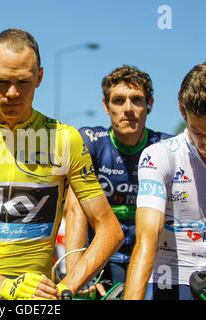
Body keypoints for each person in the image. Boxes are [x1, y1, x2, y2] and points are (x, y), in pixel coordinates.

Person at [0, 28, 123, 300]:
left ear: (40, 76)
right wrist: (4, 286)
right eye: (2, 82)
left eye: (23, 82)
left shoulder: (64, 140)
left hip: (35, 296)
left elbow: (110, 231)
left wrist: (66, 288)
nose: (12, 93)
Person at [124, 62, 206, 300]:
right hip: (171, 280)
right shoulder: (159, 156)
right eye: (198, 132)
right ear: (182, 110)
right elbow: (147, 238)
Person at [64, 65, 172, 295]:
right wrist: (76, 276)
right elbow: (74, 209)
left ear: (149, 104)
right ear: (106, 106)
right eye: (119, 100)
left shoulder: (167, 147)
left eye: (137, 100)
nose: (128, 109)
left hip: (151, 256)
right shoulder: (91, 141)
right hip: (103, 256)